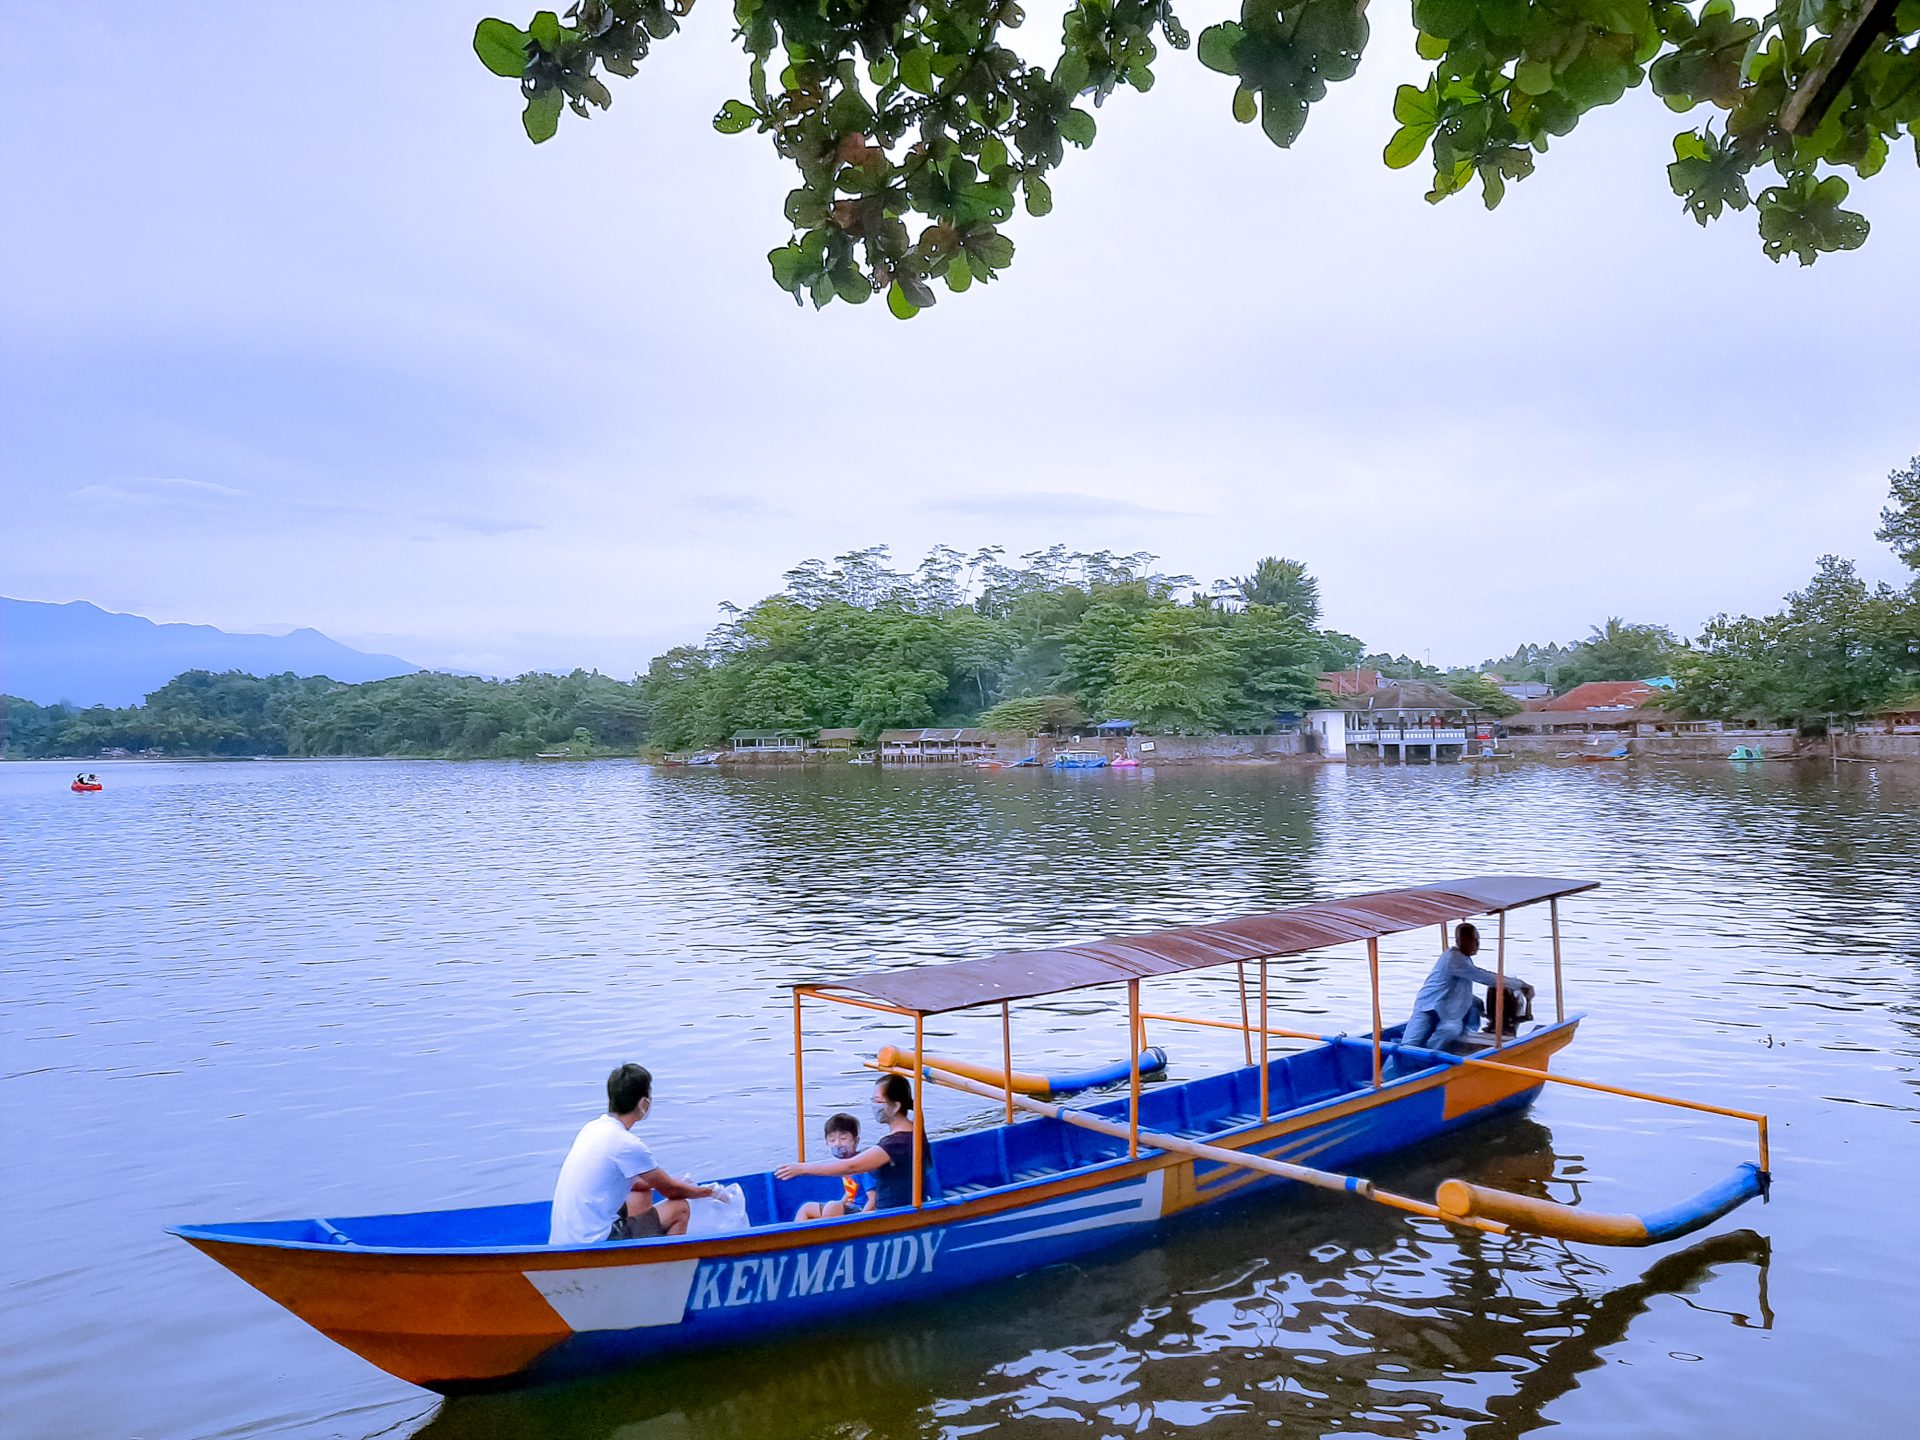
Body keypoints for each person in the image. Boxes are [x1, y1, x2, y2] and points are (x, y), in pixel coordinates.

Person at [548, 1062, 717, 1246]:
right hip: (595, 1242)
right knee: (680, 1208)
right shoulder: (627, 1144)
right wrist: (709, 1192)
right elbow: (671, 1191)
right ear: (644, 1103)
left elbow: (640, 1182)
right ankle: (664, 1269)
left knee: (641, 1192)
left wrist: (673, 1181)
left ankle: (646, 1252)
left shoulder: (591, 1128)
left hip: (566, 1238)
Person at [775, 1075, 929, 1213]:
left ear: (895, 1106)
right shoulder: (916, 1130)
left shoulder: (895, 1144)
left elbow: (851, 1166)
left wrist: (802, 1168)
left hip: (889, 1214)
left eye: (878, 1101)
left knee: (832, 1209)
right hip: (894, 1208)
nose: (873, 1106)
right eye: (873, 1100)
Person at [1395, 923, 1533, 1067]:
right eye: (1473, 940)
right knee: (1410, 1044)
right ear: (1460, 941)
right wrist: (1520, 985)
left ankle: (1426, 1059)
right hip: (1427, 1007)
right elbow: (1484, 977)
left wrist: (1478, 1005)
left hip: (1445, 1008)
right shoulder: (1454, 959)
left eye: (1478, 940)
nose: (1477, 944)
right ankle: (1418, 1064)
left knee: (1463, 1017)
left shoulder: (1463, 958)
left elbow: (1462, 990)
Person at [791, 1113, 873, 1222]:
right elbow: (852, 1192)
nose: (837, 1144)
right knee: (806, 1208)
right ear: (826, 1143)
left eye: (843, 1138)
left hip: (861, 1211)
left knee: (832, 1206)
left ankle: (827, 1236)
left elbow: (873, 1198)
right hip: (851, 1207)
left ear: (856, 1141)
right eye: (832, 1140)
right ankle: (800, 1238)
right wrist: (841, 1202)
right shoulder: (843, 1165)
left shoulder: (862, 1164)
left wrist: (863, 1221)